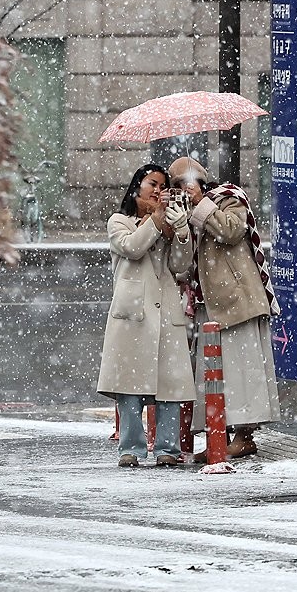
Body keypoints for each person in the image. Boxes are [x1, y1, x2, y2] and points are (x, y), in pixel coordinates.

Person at [169, 157, 281, 461]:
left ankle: (244, 435)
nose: (182, 190)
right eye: (176, 185)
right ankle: (221, 434)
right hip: (210, 304)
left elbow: (232, 231)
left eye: (184, 183)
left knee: (243, 371)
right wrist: (180, 222)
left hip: (238, 300)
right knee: (215, 376)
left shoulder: (230, 197)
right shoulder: (187, 212)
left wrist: (202, 204)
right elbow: (182, 261)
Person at [97, 164, 194, 467]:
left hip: (165, 309)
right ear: (137, 185)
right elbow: (133, 248)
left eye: (163, 186)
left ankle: (168, 448)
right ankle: (132, 448)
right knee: (129, 386)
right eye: (153, 183)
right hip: (132, 314)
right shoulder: (119, 221)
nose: (157, 190)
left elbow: (180, 267)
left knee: (170, 385)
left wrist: (180, 232)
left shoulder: (165, 225)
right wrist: (156, 220)